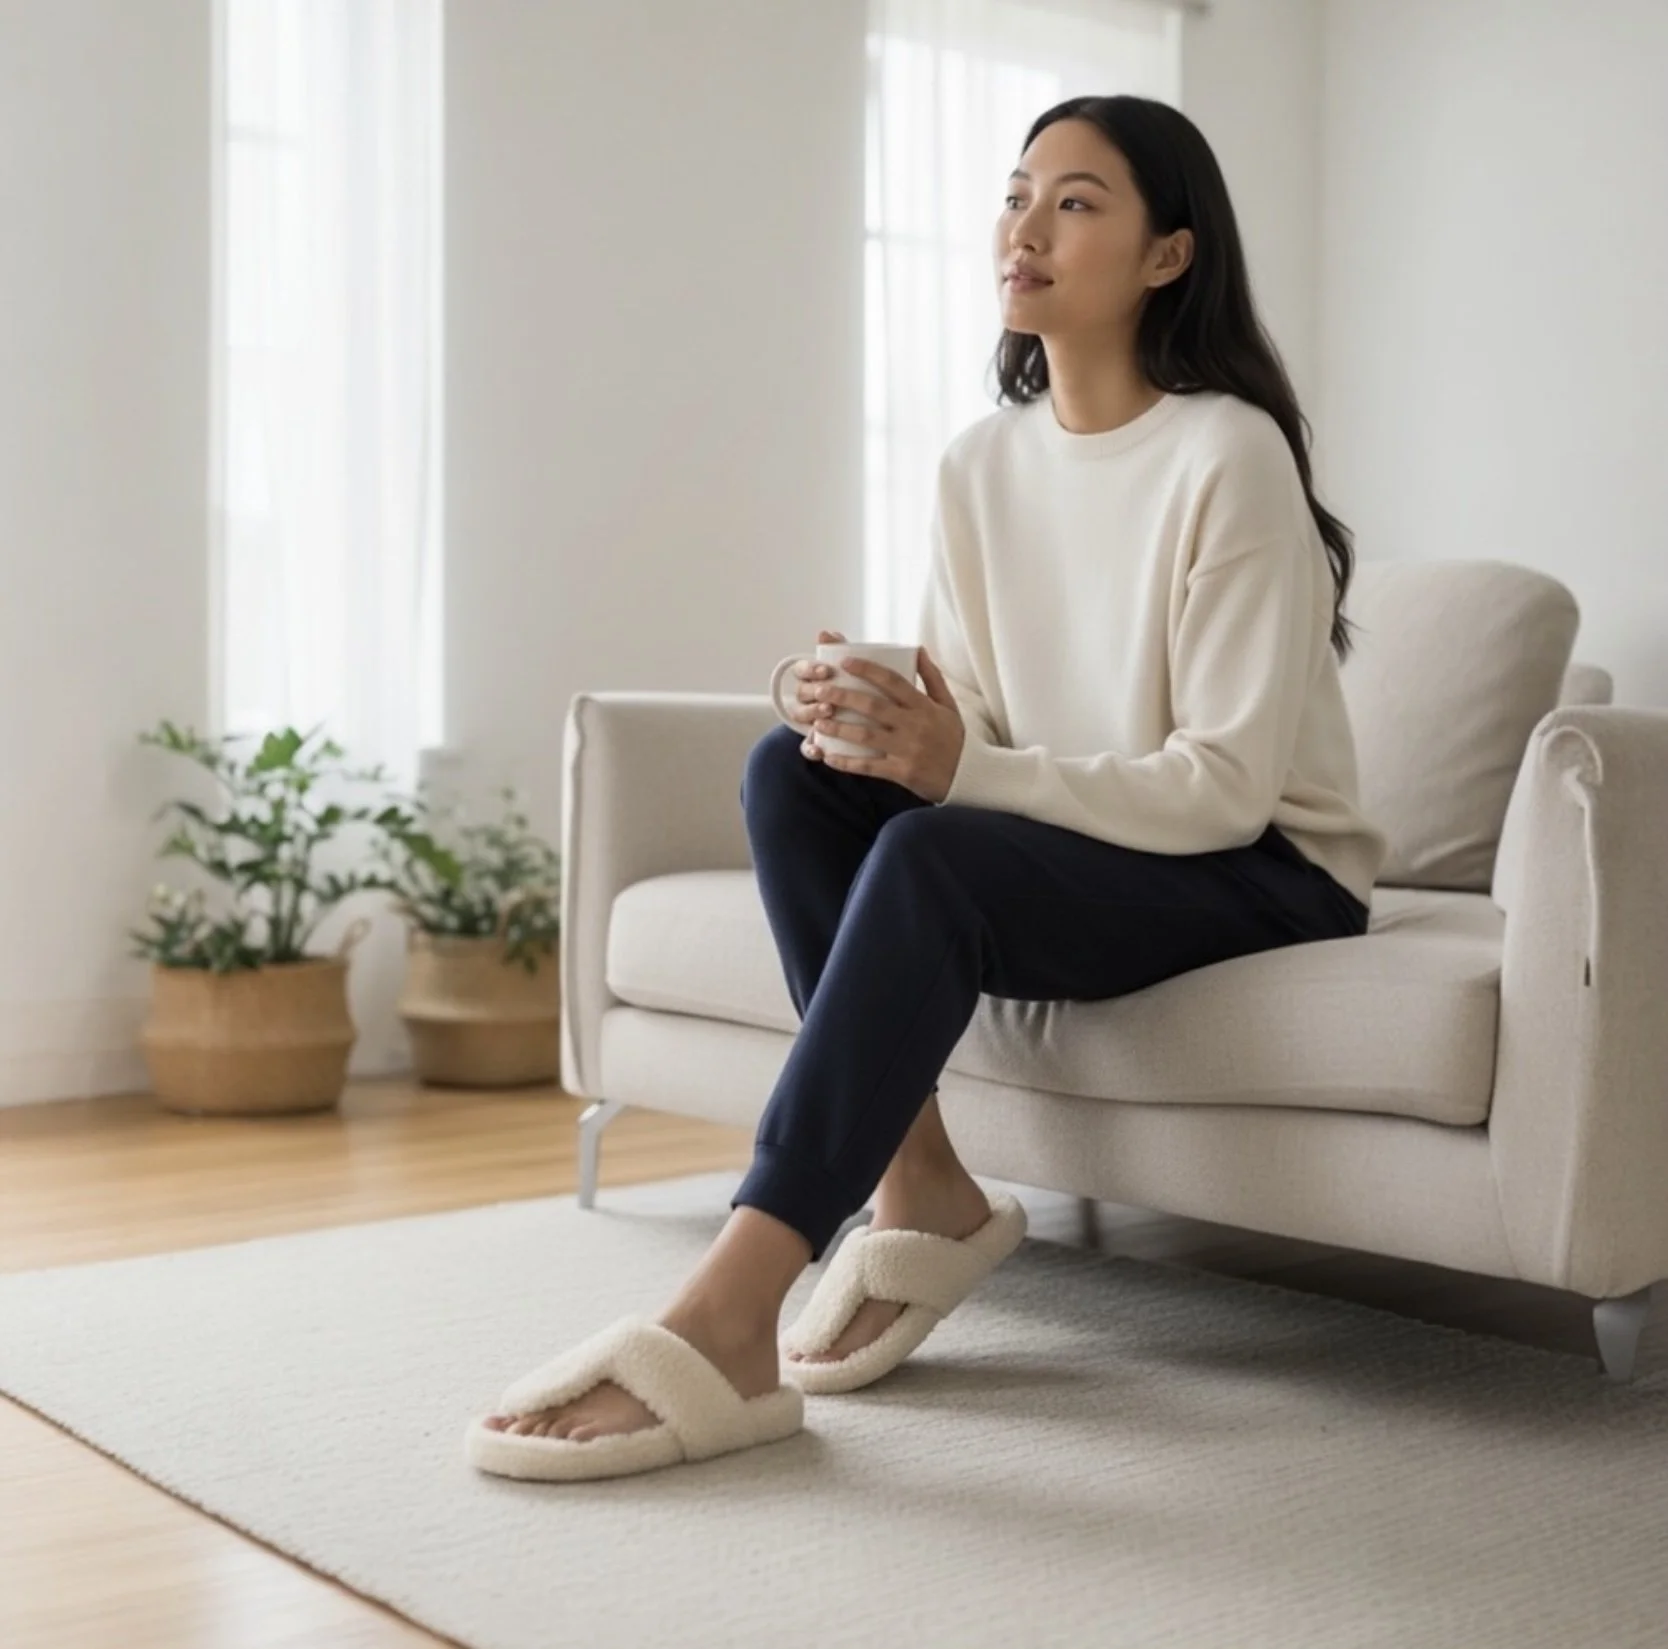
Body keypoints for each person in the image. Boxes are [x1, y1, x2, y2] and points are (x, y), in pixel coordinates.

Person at [474, 93, 1388, 1474]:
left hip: (1263, 868)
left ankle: (731, 1306)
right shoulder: (982, 464)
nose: (1025, 223)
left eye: (1077, 201)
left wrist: (966, 767)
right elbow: (978, 716)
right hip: (1101, 838)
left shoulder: (1227, 454)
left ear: (1167, 258)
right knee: (793, 776)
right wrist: (849, 709)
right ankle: (923, 1184)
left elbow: (1219, 788)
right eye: (1018, 192)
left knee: (930, 860)